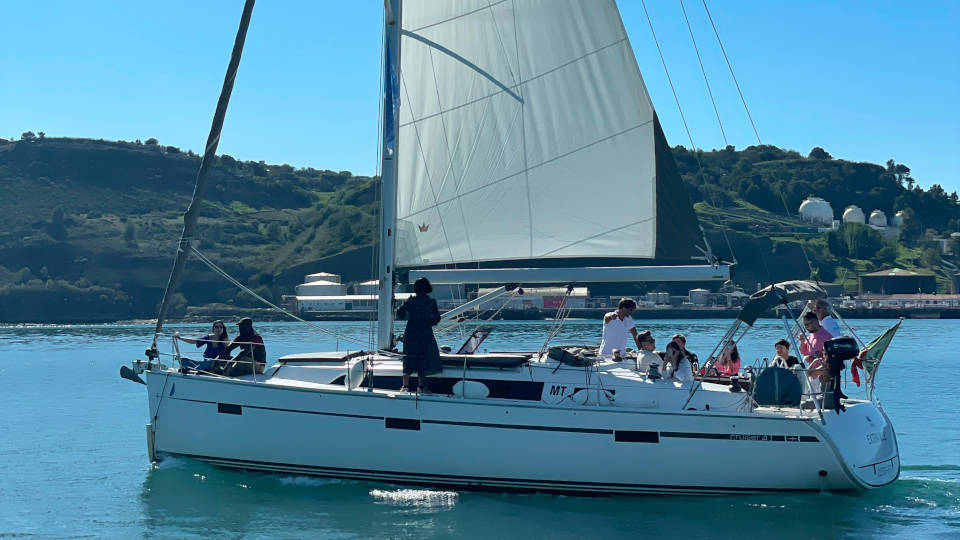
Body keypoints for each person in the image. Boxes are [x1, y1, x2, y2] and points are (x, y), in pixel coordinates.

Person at [397, 277, 442, 393]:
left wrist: (405, 304)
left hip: (411, 332)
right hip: (425, 332)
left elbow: (400, 314)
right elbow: (436, 319)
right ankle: (421, 386)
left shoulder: (411, 301)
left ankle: (405, 386)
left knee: (409, 357)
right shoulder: (431, 302)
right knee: (424, 357)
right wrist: (428, 322)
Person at [799, 311, 832, 378]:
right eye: (805, 325)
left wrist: (813, 358)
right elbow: (803, 351)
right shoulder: (811, 336)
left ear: (815, 322)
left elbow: (830, 360)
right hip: (811, 373)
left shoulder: (825, 337)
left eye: (807, 325)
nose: (806, 327)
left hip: (821, 376)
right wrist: (802, 341)